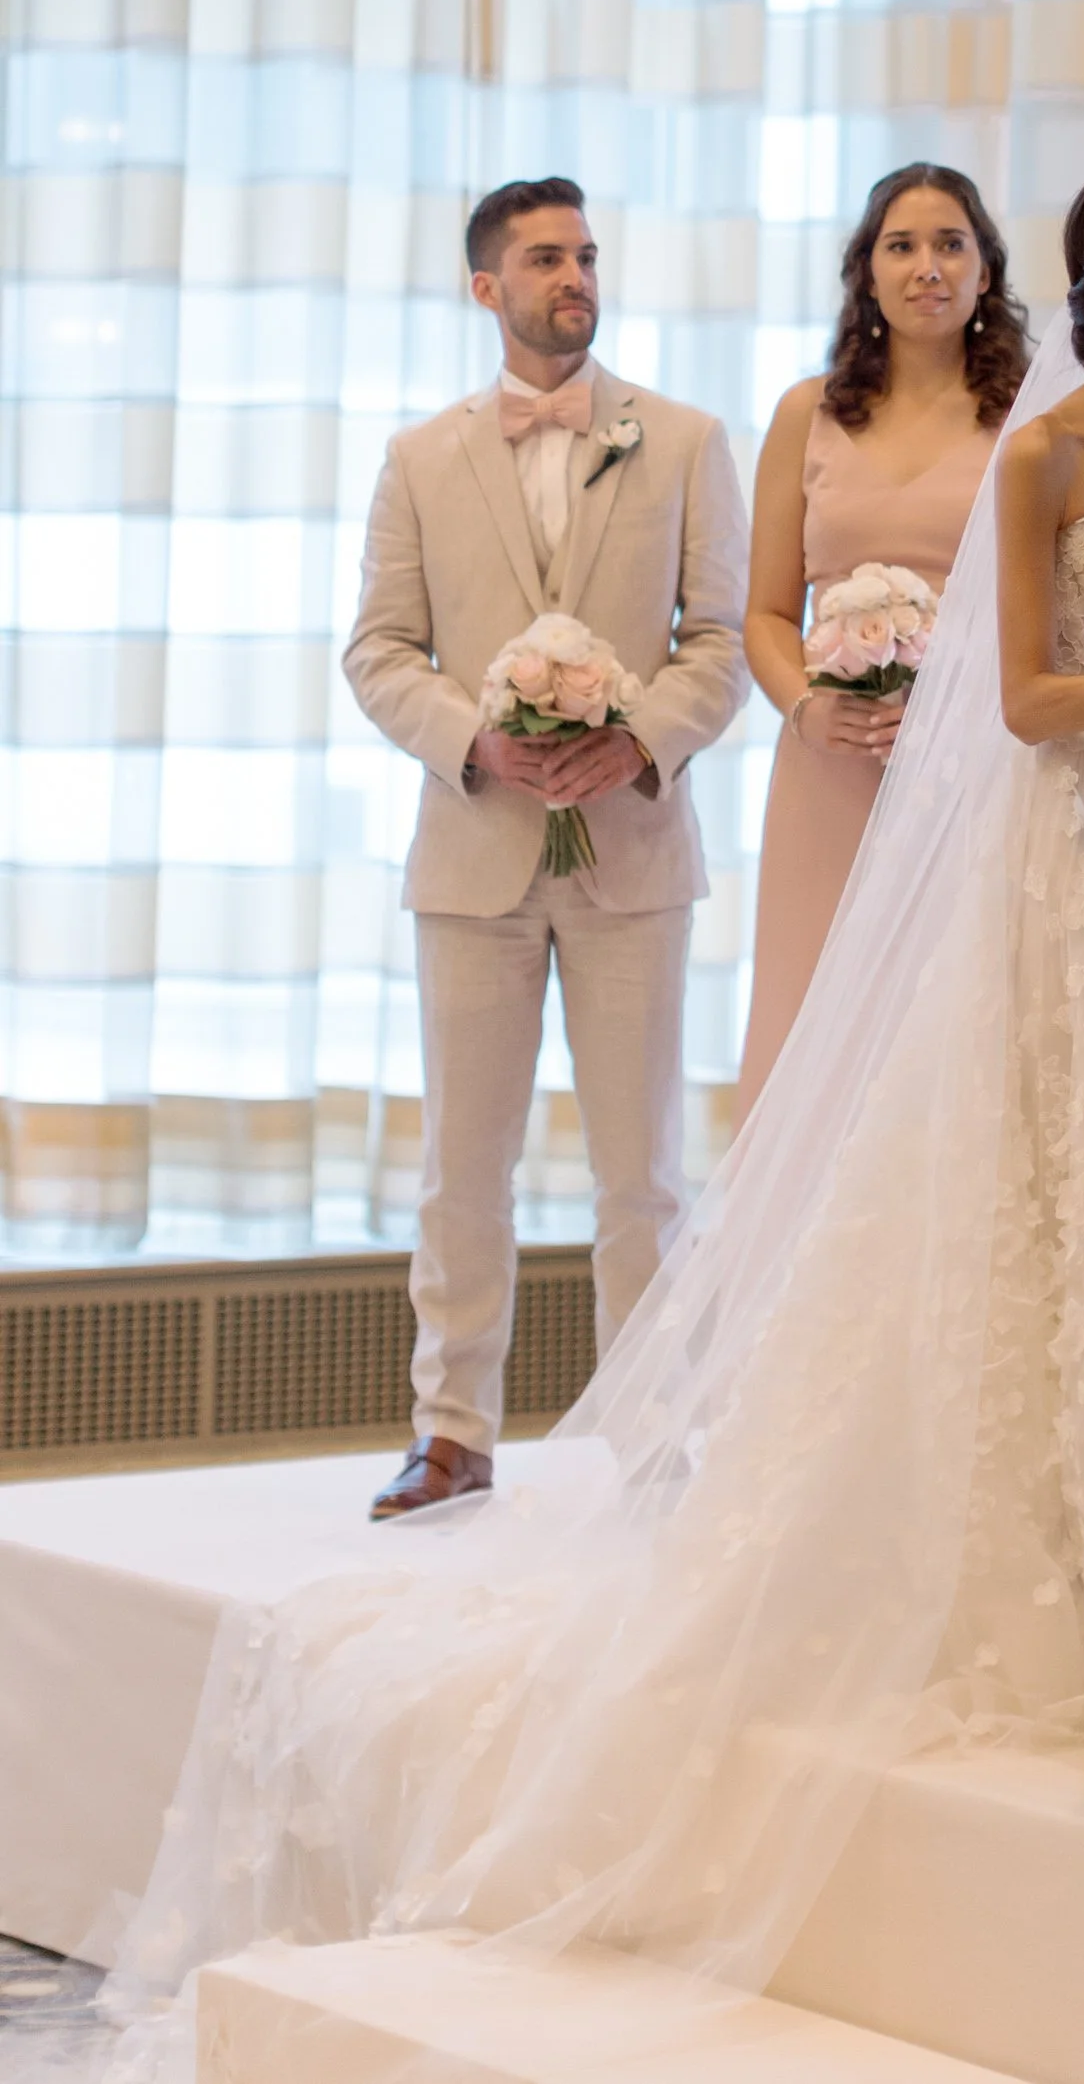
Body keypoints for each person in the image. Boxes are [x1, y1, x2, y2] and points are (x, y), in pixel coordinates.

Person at [103, 154, 1084, 2060]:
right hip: (936, 806)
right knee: (783, 1130)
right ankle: (486, 1423)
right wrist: (780, 697)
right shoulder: (886, 436)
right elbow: (817, 636)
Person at [341, 180, 749, 1523]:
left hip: (635, 854)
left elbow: (721, 642)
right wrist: (476, 740)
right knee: (465, 1168)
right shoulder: (418, 457)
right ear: (487, 287)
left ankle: (654, 1442)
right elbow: (379, 650)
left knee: (642, 1175)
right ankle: (452, 1432)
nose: (574, 276)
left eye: (584, 255)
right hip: (474, 853)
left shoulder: (683, 439)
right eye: (543, 258)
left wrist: (635, 740)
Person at [737, 164, 1028, 1119]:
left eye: (951, 244)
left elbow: (1050, 605)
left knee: (952, 1024)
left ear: (986, 270)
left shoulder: (1028, 418)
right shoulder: (806, 412)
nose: (927, 267)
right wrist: (805, 707)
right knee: (813, 1015)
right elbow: (766, 612)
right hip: (830, 766)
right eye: (901, 246)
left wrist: (962, 706)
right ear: (867, 270)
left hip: (975, 761)